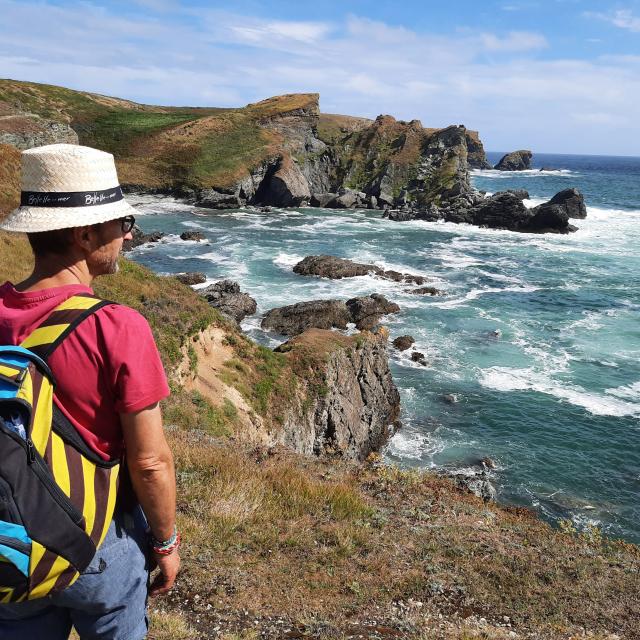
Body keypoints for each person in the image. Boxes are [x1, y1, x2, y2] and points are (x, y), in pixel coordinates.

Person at [0, 144, 179, 639]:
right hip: (98, 539)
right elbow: (150, 462)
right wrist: (166, 544)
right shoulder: (117, 327)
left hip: (10, 535)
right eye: (122, 223)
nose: (127, 234)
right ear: (84, 235)